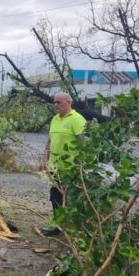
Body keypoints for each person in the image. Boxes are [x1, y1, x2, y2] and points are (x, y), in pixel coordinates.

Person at [38, 92, 86, 236]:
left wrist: (81, 165)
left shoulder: (77, 119)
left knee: (70, 199)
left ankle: (74, 229)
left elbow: (83, 142)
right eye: (54, 102)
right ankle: (58, 227)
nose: (55, 105)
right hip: (55, 168)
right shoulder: (54, 119)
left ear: (68, 102)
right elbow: (50, 141)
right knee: (55, 198)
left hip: (70, 169)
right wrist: (44, 160)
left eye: (59, 102)